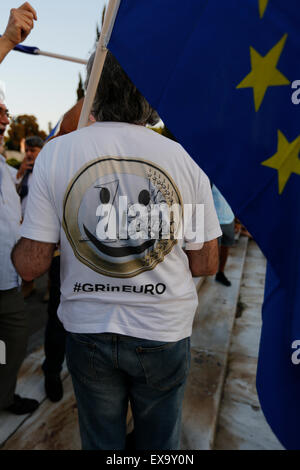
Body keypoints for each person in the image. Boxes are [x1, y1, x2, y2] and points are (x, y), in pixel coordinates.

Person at [12, 51, 221, 450]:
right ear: (151, 98)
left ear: (93, 91)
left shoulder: (57, 153)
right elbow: (205, 263)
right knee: (159, 443)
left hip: (88, 330)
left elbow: (30, 265)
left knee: (100, 441)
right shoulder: (186, 160)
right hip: (163, 331)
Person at [0, 83, 39, 415]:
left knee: (12, 342)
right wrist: (9, 40)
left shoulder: (4, 167)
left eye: (5, 113)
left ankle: (4, 397)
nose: (5, 120)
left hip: (7, 281)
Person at [212, 185, 236, 286]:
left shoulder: (231, 179)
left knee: (226, 248)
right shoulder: (210, 178)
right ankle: (207, 270)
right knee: (213, 251)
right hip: (214, 220)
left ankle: (220, 273)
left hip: (229, 219)